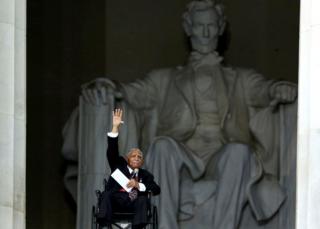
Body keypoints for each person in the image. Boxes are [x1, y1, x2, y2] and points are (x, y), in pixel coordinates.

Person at [63, 1, 297, 228]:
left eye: (212, 26)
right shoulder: (163, 79)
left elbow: (265, 91)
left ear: (221, 28)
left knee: (239, 151)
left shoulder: (242, 79)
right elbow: (129, 93)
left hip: (222, 155)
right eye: (199, 26)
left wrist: (279, 88)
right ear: (188, 28)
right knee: (162, 145)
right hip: (184, 157)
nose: (205, 32)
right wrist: (104, 85)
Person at [97, 109, 160, 229]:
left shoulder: (146, 175)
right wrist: (115, 128)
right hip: (115, 201)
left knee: (142, 200)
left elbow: (156, 189)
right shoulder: (118, 165)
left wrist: (138, 185)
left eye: (139, 157)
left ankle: (137, 227)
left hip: (134, 204)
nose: (136, 158)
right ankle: (105, 225)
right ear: (127, 159)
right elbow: (112, 152)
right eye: (133, 156)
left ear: (142, 162)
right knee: (106, 195)